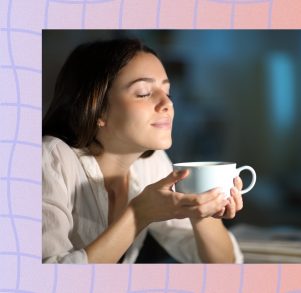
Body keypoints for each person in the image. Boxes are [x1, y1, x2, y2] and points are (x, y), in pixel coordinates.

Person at [42, 37, 244, 264]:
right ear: (97, 109)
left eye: (167, 91)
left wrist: (202, 211)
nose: (167, 103)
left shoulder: (150, 162)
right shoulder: (50, 158)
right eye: (144, 93)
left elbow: (225, 266)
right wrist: (139, 214)